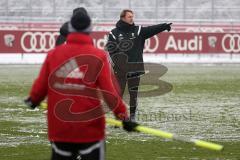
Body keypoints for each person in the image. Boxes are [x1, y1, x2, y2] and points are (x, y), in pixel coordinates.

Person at [24, 8, 138, 160]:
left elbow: (41, 85)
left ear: (70, 27)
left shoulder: (54, 54)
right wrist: (123, 116)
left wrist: (33, 99)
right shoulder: (98, 56)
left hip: (60, 129)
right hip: (90, 130)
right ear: (90, 29)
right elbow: (110, 92)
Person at [106, 9, 172, 121]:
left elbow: (152, 29)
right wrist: (119, 64)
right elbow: (111, 50)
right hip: (120, 69)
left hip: (135, 68)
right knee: (118, 94)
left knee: (133, 95)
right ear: (123, 18)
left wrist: (164, 26)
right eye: (129, 16)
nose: (132, 18)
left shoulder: (138, 31)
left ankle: (132, 117)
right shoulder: (114, 33)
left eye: (132, 16)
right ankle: (119, 116)